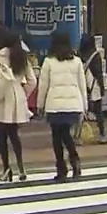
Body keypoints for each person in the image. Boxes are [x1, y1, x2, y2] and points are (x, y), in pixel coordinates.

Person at [0, 32, 35, 181]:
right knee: (14, 135)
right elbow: (32, 81)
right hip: (16, 98)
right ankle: (21, 167)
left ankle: (6, 169)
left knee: (1, 136)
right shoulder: (22, 57)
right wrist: (22, 94)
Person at [37, 31, 88, 180]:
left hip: (55, 105)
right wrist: (84, 106)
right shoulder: (77, 61)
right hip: (73, 104)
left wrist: (40, 105)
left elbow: (43, 86)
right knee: (66, 133)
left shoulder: (49, 61)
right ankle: (75, 160)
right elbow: (82, 85)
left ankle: (61, 168)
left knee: (57, 137)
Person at [78, 34, 107, 144]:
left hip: (82, 85)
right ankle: (102, 134)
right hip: (94, 86)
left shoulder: (79, 55)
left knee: (81, 111)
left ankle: (77, 136)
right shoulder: (96, 55)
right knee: (98, 111)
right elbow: (99, 73)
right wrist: (102, 87)